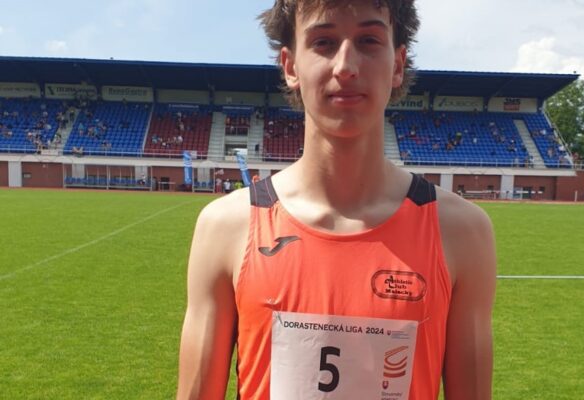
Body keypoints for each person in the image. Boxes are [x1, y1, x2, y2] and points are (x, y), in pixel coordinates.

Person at [177, 1, 496, 399]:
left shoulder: (461, 231)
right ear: (291, 66)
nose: (346, 66)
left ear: (397, 65)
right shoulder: (226, 227)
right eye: (324, 42)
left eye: (368, 40)